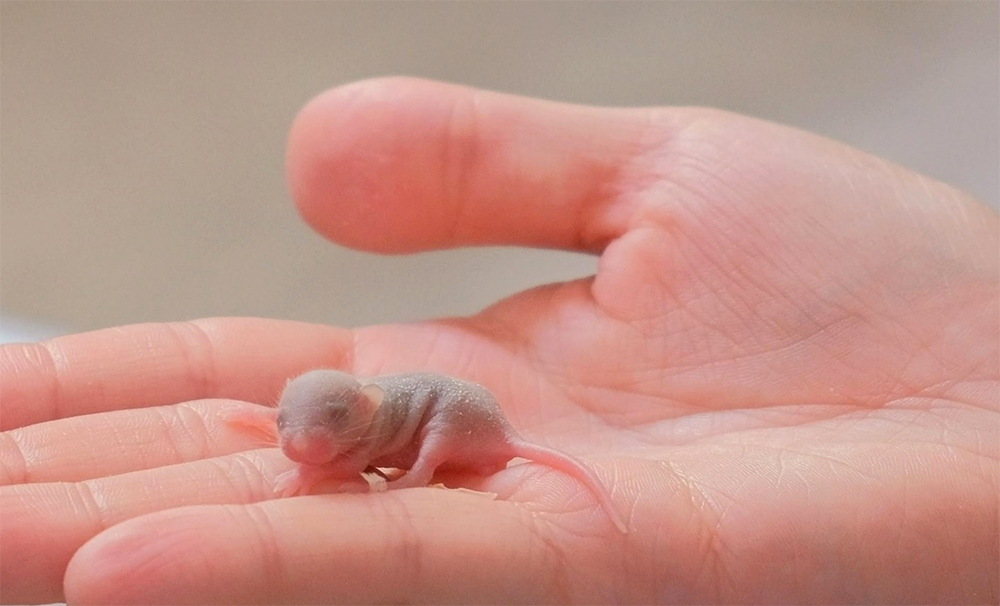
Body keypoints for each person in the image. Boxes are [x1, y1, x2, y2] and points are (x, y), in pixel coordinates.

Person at [1, 78, 996, 605]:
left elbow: (350, 453)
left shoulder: (389, 417)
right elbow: (291, 433)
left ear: (357, 413)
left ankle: (445, 465)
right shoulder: (326, 420)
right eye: (296, 427)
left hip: (460, 432)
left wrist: (423, 473)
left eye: (326, 425)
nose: (304, 444)